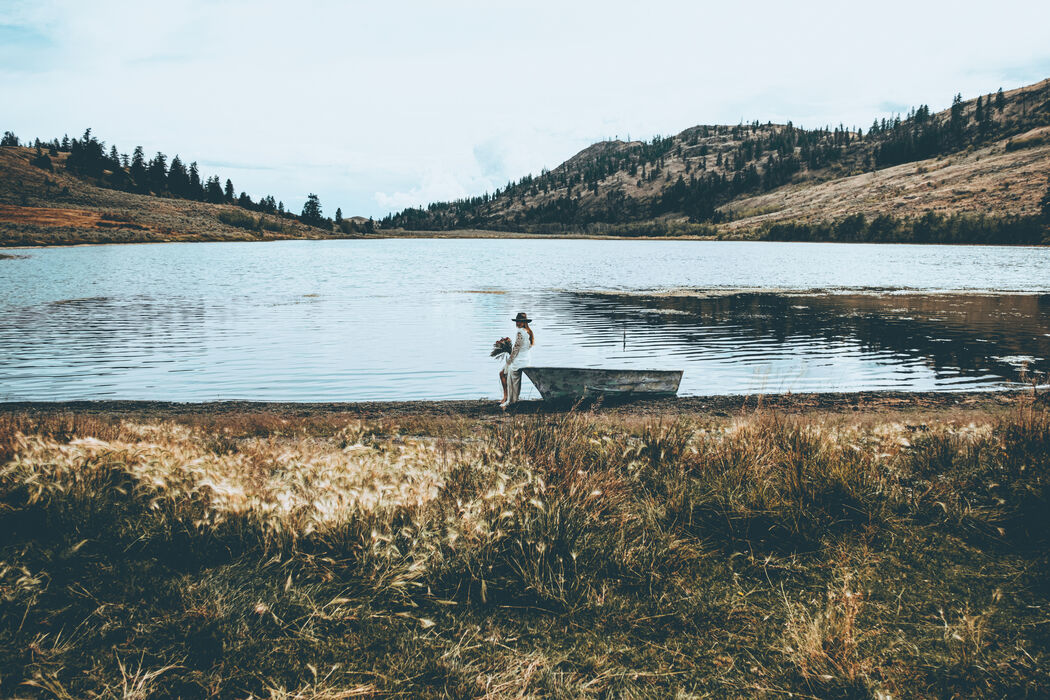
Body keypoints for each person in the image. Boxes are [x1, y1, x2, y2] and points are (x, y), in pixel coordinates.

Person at [500, 312, 534, 408]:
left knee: (503, 373)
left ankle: (509, 399)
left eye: (520, 321)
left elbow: (516, 349)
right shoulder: (529, 332)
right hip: (526, 360)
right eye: (517, 321)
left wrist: (509, 361)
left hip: (518, 361)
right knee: (503, 373)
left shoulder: (520, 332)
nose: (518, 323)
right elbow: (526, 347)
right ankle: (507, 397)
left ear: (524, 322)